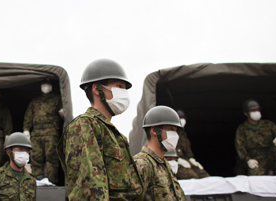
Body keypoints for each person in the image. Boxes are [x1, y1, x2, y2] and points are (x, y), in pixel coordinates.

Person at [57, 59, 144, 200]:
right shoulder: (85, 125)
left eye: (124, 88)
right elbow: (89, 189)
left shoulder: (113, 134)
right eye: (119, 86)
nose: (124, 93)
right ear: (97, 89)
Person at [133, 106, 186, 201]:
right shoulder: (142, 164)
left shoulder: (165, 165)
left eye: (176, 131)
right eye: (171, 130)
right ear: (154, 130)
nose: (176, 135)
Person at [235, 99, 276, 175]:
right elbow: (240, 147)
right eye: (252, 111)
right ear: (246, 114)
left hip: (271, 154)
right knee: (256, 178)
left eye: (257, 110)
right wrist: (248, 160)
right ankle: (269, 172)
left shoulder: (268, 124)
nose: (256, 112)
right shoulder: (242, 129)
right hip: (256, 159)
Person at [23, 79, 63, 183]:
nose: (46, 86)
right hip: (36, 132)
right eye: (44, 84)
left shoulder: (57, 99)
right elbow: (29, 115)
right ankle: (37, 179)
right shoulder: (35, 101)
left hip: (51, 132)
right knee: (36, 156)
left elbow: (63, 113)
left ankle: (51, 180)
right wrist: (26, 129)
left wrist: (64, 114)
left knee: (52, 156)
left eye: (48, 84)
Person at [0, 132, 36, 201]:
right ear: (8, 152)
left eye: (27, 150)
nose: (24, 153)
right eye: (20, 149)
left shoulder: (31, 180)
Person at [175, 109, 210, 179]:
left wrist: (191, 159)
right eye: (180, 118)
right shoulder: (169, 133)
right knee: (193, 176)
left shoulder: (182, 134)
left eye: (183, 118)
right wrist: (177, 160)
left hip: (186, 161)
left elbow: (187, 149)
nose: (182, 120)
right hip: (174, 162)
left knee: (204, 175)